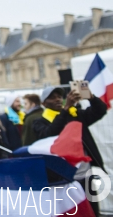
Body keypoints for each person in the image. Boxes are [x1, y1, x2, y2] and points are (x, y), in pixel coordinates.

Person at [33, 84, 107, 216]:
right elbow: (49, 135)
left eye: (59, 97)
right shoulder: (40, 121)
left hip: (85, 173)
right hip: (63, 179)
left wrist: (90, 97)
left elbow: (100, 110)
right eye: (52, 97)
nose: (57, 100)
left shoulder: (75, 114)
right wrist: (66, 108)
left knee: (93, 210)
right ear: (44, 103)